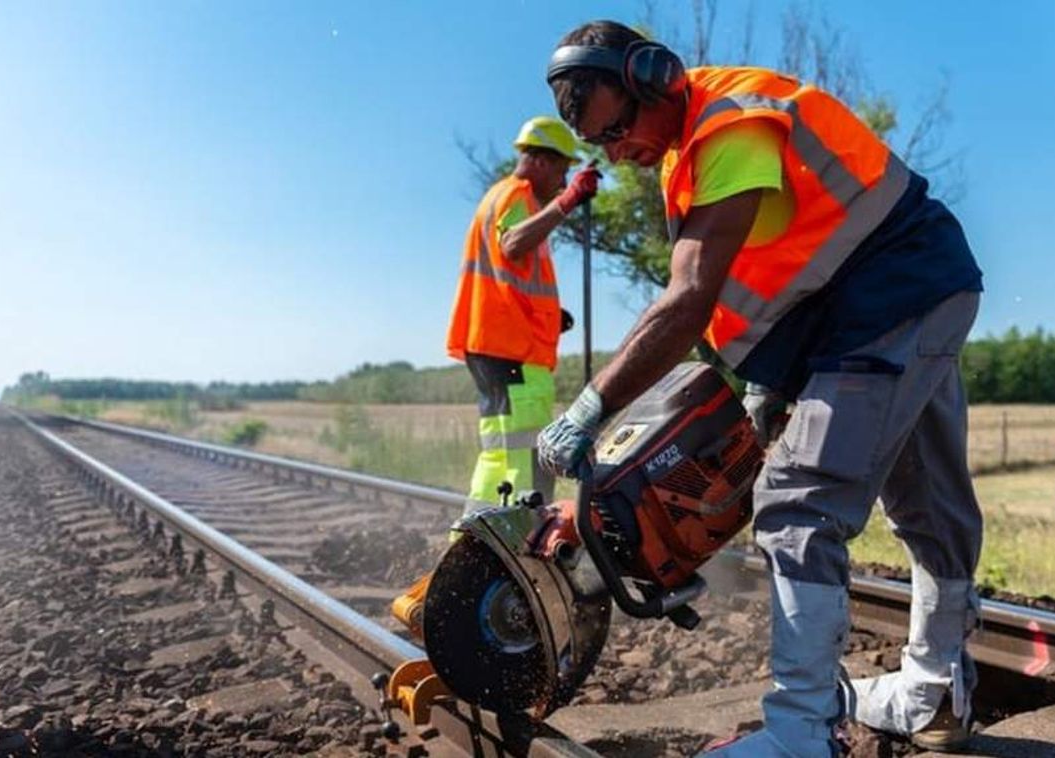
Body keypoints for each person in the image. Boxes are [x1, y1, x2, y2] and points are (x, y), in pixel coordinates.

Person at [536, 21, 984, 756]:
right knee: (928, 502)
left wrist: (591, 408)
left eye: (616, 129)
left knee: (798, 504)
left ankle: (799, 735)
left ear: (654, 76)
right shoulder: (695, 149)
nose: (615, 154)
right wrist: (759, 394)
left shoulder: (729, 126)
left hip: (887, 301)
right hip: (907, 292)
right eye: (600, 145)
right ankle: (936, 693)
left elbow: (686, 300)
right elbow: (775, 281)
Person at [390, 116, 599, 641]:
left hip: (508, 346)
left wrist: (555, 316)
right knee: (524, 467)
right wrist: (568, 202)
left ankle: (482, 555)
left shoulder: (507, 197)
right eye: (563, 170)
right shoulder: (517, 195)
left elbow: (515, 278)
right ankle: (494, 565)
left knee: (507, 459)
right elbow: (513, 246)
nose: (563, 178)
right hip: (509, 353)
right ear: (544, 161)